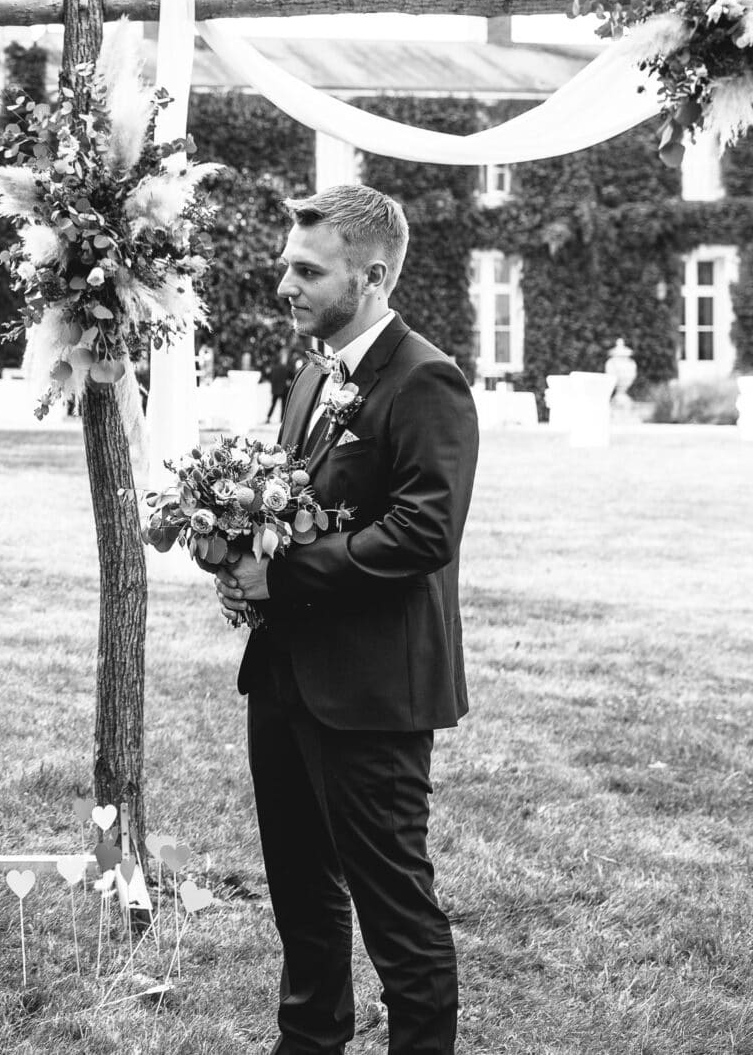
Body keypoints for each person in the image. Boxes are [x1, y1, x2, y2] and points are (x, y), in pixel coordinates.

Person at [214, 185, 477, 1055]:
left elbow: (423, 531)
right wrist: (236, 554)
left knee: (395, 908)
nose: (284, 283)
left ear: (369, 276)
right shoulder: (313, 370)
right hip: (285, 674)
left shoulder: (427, 378)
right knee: (299, 889)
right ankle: (309, 1041)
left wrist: (280, 574)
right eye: (287, 265)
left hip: (372, 689)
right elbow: (291, 503)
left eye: (305, 269)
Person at [264, 338, 301, 427]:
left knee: (275, 404)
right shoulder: (286, 368)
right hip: (283, 389)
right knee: (282, 405)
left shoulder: (275, 367)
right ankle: (281, 419)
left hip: (277, 389)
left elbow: (269, 377)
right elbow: (292, 376)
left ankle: (270, 418)